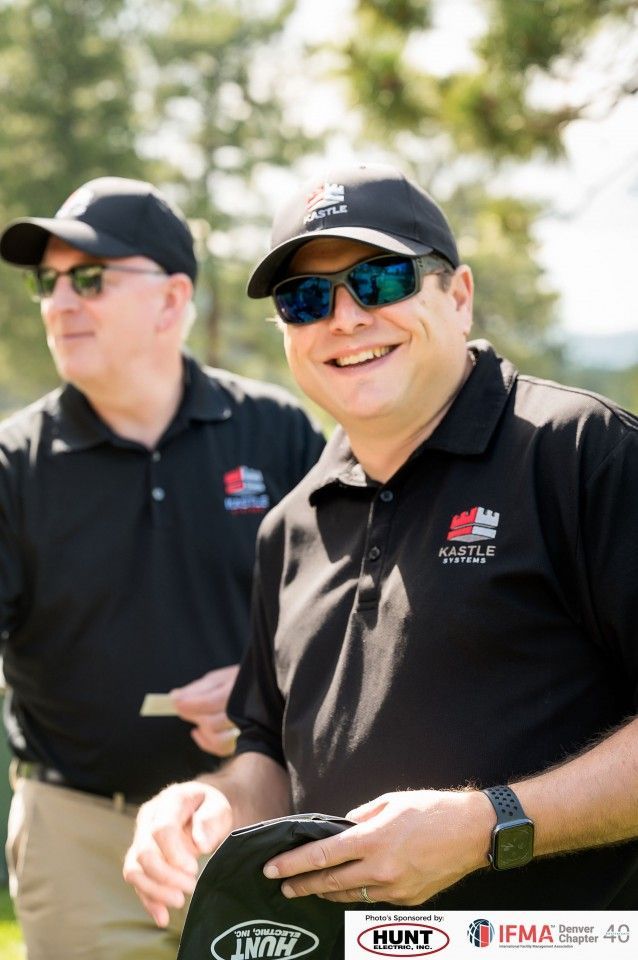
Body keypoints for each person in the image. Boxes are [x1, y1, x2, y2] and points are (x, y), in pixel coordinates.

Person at [123, 161, 638, 924]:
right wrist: (212, 802)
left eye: (381, 280)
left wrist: (487, 826)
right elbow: (268, 755)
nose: (344, 318)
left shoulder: (583, 453)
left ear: (458, 296)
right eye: (305, 299)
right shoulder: (290, 527)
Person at [0, 175, 325, 960]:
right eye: (49, 282)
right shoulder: (14, 464)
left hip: (257, 824)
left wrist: (258, 688)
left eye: (89, 278)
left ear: (173, 299)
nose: (60, 302)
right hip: (82, 841)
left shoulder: (277, 432)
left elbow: (353, 617)